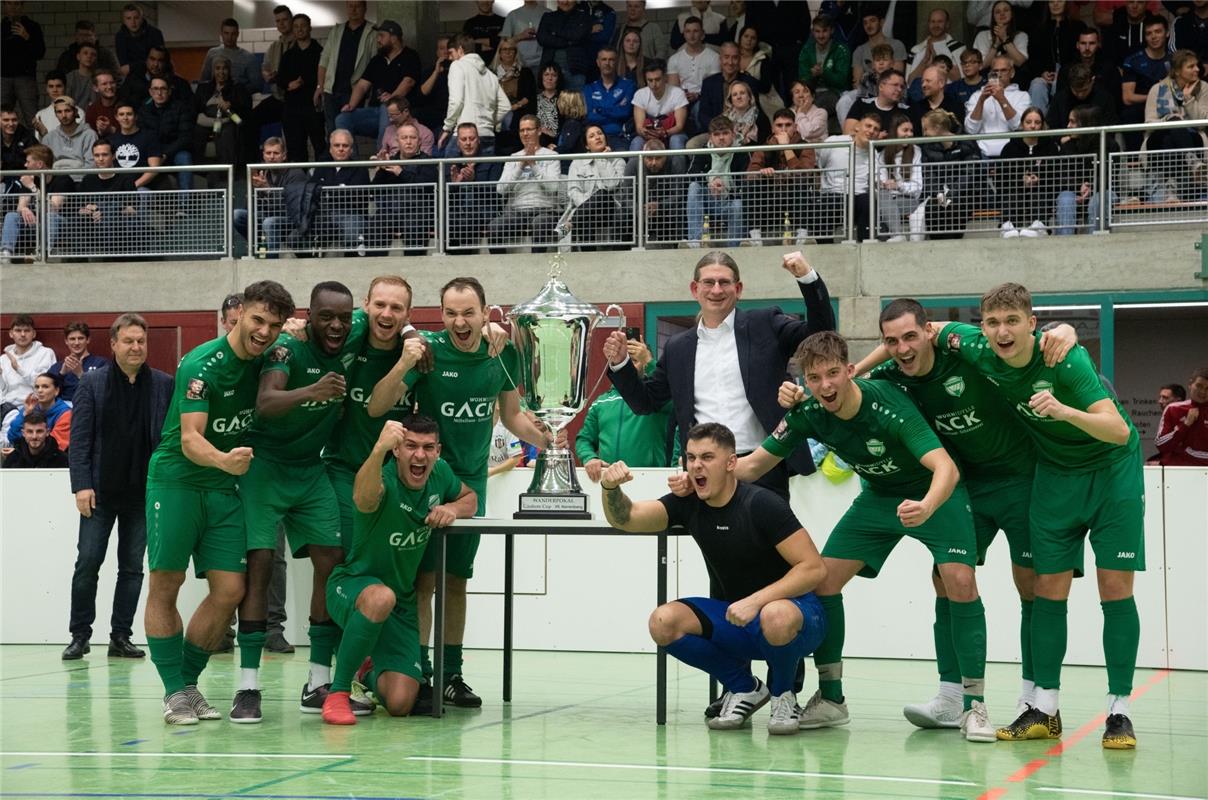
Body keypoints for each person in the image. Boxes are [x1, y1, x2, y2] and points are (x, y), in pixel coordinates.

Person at [732, 331, 995, 742]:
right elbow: (754, 466)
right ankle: (833, 698)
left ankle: (973, 706)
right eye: (815, 378)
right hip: (878, 499)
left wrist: (926, 505)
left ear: (850, 370)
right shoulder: (807, 412)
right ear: (805, 381)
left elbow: (946, 468)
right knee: (821, 580)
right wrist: (701, 473)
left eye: (833, 373)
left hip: (934, 493)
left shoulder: (887, 403)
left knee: (958, 582)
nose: (826, 385)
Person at [842, 300, 1074, 730]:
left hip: (1023, 479)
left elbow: (1015, 338)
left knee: (1031, 585)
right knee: (948, 580)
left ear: (928, 332)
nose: (903, 348)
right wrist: (851, 370)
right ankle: (951, 698)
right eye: (892, 341)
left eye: (911, 336)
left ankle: (1034, 700)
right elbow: (849, 385)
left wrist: (1066, 331)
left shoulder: (961, 347)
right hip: (965, 486)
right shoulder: (893, 375)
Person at [934, 283, 1145, 750]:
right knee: (1047, 588)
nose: (1002, 331)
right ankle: (1044, 709)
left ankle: (1119, 712)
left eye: (1012, 321)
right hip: (1054, 475)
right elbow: (922, 330)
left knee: (1115, 588)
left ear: (1032, 323)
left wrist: (1064, 410)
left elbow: (1115, 429)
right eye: (992, 322)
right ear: (981, 327)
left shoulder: (1064, 358)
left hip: (1112, 472)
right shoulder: (972, 345)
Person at [367, 276, 553, 709]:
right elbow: (378, 406)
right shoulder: (428, 353)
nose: (459, 320)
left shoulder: (501, 351)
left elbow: (511, 416)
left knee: (456, 582)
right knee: (423, 582)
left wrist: (552, 441)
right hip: (426, 482)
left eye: (468, 312)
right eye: (451, 312)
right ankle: (419, 671)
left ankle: (452, 674)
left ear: (486, 313)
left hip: (474, 485)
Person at [600, 423, 827, 734]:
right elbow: (627, 519)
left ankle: (783, 694)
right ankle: (744, 687)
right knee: (663, 622)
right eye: (691, 457)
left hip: (798, 617)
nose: (696, 465)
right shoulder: (687, 502)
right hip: (738, 619)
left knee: (775, 614)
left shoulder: (762, 504)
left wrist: (756, 601)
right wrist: (610, 488)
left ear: (731, 463)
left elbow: (813, 568)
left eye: (707, 457)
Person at [142, 280, 293, 726]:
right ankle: (174, 691)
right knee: (165, 585)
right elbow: (190, 440)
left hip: (224, 488)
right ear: (240, 313)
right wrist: (226, 461)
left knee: (230, 590)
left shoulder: (271, 359)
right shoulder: (200, 364)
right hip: (177, 482)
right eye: (257, 320)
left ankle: (186, 685)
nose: (264, 331)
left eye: (274, 324)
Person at [231, 282, 369, 723]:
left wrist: (408, 337)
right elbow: (266, 401)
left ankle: (317, 681)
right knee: (261, 565)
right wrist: (314, 392)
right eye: (325, 316)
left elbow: (390, 316)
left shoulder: (355, 328)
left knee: (331, 561)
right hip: (266, 467)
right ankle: (248, 687)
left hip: (312, 470)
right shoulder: (286, 350)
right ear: (309, 316)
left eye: (343, 318)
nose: (336, 325)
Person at [604, 250, 833, 502]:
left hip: (763, 466)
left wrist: (807, 278)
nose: (716, 290)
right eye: (708, 282)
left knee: (766, 541)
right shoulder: (678, 347)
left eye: (724, 282)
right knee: (710, 542)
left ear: (738, 288)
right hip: (704, 474)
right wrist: (620, 363)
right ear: (694, 289)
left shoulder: (764, 324)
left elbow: (821, 334)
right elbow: (645, 402)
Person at [321, 416, 478, 724]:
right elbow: (362, 499)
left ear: (437, 451)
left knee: (401, 703)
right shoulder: (383, 478)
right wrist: (378, 449)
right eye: (410, 446)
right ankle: (338, 693)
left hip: (402, 605)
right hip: (352, 587)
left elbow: (470, 498)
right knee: (381, 597)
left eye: (428, 447)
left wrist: (452, 508)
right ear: (397, 450)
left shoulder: (440, 474)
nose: (419, 455)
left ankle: (367, 670)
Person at [62, 313, 172, 660]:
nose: (136, 347)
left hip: (143, 494)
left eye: (141, 341)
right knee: (88, 563)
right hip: (99, 493)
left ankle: (120, 636)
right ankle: (79, 635)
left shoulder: (163, 384)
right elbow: (79, 441)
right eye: (128, 341)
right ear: (113, 344)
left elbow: (168, 442)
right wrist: (81, 486)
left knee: (132, 569)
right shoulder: (91, 384)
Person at [577, 337, 674, 477]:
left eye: (633, 361)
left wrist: (649, 361)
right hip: (610, 479)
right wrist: (590, 457)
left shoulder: (657, 399)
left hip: (651, 478)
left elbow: (671, 392)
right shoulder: (600, 403)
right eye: (623, 361)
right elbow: (584, 439)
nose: (627, 366)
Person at [336, 20, 421, 148]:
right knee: (342, 118)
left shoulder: (410, 56)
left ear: (393, 38)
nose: (378, 40)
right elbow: (362, 85)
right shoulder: (377, 60)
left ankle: (382, 160)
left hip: (399, 113)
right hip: (373, 111)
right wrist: (351, 105)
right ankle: (351, 163)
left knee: (386, 109)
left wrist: (392, 100)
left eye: (382, 36)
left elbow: (408, 82)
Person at [489, 114, 562, 251]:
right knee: (495, 226)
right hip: (517, 211)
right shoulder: (513, 158)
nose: (525, 134)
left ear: (539, 131)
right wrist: (520, 166)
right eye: (522, 130)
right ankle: (498, 267)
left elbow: (553, 187)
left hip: (545, 210)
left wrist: (533, 165)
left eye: (529, 129)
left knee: (540, 223)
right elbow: (500, 189)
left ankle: (537, 266)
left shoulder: (552, 156)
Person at [745, 108, 815, 244]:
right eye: (779, 125)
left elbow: (804, 175)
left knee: (801, 185)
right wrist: (762, 173)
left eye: (788, 125)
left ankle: (802, 236)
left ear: (795, 127)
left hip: (795, 198)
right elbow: (750, 174)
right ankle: (755, 237)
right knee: (751, 187)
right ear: (773, 128)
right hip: (770, 200)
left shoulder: (805, 146)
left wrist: (787, 148)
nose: (783, 129)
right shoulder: (764, 147)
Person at [440, 34, 511, 158]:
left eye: (451, 52)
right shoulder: (491, 75)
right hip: (488, 135)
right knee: (484, 177)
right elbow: (506, 106)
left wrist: (447, 128)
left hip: (464, 135)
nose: (450, 58)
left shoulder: (457, 65)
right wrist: (489, 122)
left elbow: (456, 101)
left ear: (460, 50)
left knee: (448, 174)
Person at [370, 122, 437, 255]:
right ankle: (376, 267)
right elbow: (375, 190)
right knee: (375, 224)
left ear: (419, 141)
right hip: (391, 211)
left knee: (414, 226)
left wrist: (401, 172)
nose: (408, 141)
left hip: (418, 211)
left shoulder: (427, 161)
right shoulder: (391, 160)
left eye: (412, 138)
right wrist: (382, 170)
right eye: (404, 138)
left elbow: (429, 186)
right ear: (397, 141)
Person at [0, 146, 74, 263]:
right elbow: (20, 206)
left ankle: (45, 253)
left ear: (39, 164)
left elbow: (53, 208)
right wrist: (23, 209)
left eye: (28, 162)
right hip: (35, 223)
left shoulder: (62, 179)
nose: (25, 165)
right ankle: (6, 253)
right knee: (11, 216)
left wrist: (33, 188)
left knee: (50, 217)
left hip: (61, 224)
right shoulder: (29, 179)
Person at [683, 116, 748, 246]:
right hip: (708, 200)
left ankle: (734, 246)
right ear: (710, 137)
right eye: (716, 134)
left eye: (725, 133)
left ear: (733, 134)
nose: (721, 138)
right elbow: (690, 175)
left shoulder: (743, 153)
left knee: (737, 204)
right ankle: (695, 241)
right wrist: (710, 182)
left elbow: (746, 183)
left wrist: (727, 187)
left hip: (730, 200)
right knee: (694, 187)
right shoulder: (703, 151)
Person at [919, 109, 982, 240]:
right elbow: (928, 174)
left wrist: (951, 195)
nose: (924, 134)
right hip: (939, 196)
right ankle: (937, 245)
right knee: (933, 206)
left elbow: (970, 174)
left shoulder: (966, 142)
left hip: (964, 195)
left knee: (955, 205)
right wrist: (939, 193)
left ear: (937, 128)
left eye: (926, 129)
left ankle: (953, 245)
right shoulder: (927, 147)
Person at [815, 113, 879, 242]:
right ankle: (824, 247)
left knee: (869, 201)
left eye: (876, 129)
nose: (871, 131)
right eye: (868, 126)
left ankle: (865, 245)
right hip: (834, 193)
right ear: (857, 127)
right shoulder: (834, 141)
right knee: (825, 203)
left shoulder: (874, 152)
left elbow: (876, 179)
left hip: (858, 196)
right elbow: (820, 164)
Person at [315, 0, 376, 135]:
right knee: (332, 131)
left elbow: (374, 64)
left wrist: (369, 91)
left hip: (354, 91)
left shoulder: (372, 32)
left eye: (357, 6)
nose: (354, 10)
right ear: (346, 8)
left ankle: (350, 156)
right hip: (331, 90)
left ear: (364, 8)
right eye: (350, 6)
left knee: (347, 131)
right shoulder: (337, 30)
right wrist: (320, 87)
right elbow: (324, 60)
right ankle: (335, 156)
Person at [998, 106, 1059, 238]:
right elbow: (1001, 176)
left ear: (1042, 126)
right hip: (1016, 189)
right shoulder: (1010, 147)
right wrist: (1021, 180)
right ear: (1022, 124)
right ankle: (1008, 226)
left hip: (1042, 189)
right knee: (1010, 191)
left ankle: (1039, 225)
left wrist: (1039, 179)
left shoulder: (1050, 147)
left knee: (1040, 191)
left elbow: (1056, 175)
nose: (1033, 126)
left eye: (1037, 123)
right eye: (1028, 122)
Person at [565, 124, 627, 249]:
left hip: (610, 210)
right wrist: (587, 205)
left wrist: (603, 159)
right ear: (587, 145)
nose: (597, 137)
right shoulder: (577, 163)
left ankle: (572, 221)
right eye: (592, 136)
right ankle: (588, 256)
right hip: (587, 212)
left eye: (599, 133)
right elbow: (573, 191)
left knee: (602, 194)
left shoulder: (618, 161)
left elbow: (611, 185)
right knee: (586, 218)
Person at [446, 123, 504, 252]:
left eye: (471, 139)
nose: (468, 143)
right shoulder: (450, 163)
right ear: (457, 143)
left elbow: (497, 192)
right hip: (458, 214)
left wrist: (474, 181)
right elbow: (443, 198)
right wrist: (454, 186)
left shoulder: (493, 161)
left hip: (486, 212)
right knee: (446, 220)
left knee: (467, 220)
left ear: (478, 140)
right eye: (463, 139)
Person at [312, 129, 371, 256]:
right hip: (324, 214)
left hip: (352, 214)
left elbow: (357, 198)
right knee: (301, 230)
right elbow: (313, 190)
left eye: (345, 146)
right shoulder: (322, 167)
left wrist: (328, 190)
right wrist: (340, 188)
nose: (341, 149)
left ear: (351, 150)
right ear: (330, 149)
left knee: (351, 228)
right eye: (336, 145)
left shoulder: (360, 168)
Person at [192, 57, 252, 180]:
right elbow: (194, 108)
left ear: (229, 71)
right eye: (217, 68)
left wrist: (231, 104)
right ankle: (199, 173)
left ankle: (227, 177)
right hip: (206, 121)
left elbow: (246, 108)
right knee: (195, 132)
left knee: (226, 134)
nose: (221, 72)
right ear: (213, 71)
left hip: (227, 120)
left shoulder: (238, 88)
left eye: (225, 68)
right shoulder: (203, 88)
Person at [276, 13, 325, 163]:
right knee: (295, 148)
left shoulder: (320, 52)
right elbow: (280, 78)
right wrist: (289, 84)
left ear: (309, 28)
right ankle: (298, 181)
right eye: (296, 26)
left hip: (313, 106)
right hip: (292, 107)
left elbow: (325, 76)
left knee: (319, 145)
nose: (299, 29)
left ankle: (322, 178)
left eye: (303, 26)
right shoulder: (288, 55)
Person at [965, 56, 1030, 157]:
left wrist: (1001, 99)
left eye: (1003, 70)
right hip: (982, 154)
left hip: (1011, 154)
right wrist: (981, 101)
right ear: (990, 74)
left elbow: (1019, 126)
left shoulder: (1022, 96)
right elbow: (970, 129)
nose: (999, 75)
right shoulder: (977, 95)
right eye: (995, 71)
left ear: (1012, 73)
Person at [1121, 15, 1173, 141]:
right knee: (1129, 114)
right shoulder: (1133, 61)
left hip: (1170, 106)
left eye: (1158, 32)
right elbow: (1127, 98)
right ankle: (1133, 159)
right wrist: (1154, 95)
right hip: (1141, 107)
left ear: (1167, 33)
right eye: (1149, 33)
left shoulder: (1175, 60)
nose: (1153, 36)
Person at [874, 114, 923, 242]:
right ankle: (896, 236)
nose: (910, 134)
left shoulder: (916, 152)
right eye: (905, 130)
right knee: (882, 195)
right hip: (888, 200)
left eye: (911, 131)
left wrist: (898, 185)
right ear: (895, 132)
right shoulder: (882, 155)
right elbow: (881, 183)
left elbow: (917, 188)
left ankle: (896, 235)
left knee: (877, 210)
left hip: (909, 201)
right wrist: (882, 184)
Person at [138, 77, 193, 191]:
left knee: (184, 157)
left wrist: (165, 154)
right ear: (150, 92)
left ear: (169, 91)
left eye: (163, 89)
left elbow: (185, 138)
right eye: (155, 89)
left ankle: (185, 206)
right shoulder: (144, 109)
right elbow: (142, 136)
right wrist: (155, 154)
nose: (159, 93)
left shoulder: (180, 107)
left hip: (173, 152)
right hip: (151, 154)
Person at [797, 15, 851, 129]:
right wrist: (812, 75)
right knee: (795, 106)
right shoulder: (806, 50)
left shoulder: (841, 49)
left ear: (832, 30)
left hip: (835, 92)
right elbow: (802, 80)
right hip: (811, 93)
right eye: (817, 31)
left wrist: (824, 73)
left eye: (825, 31)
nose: (821, 35)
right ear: (812, 32)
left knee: (814, 105)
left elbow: (842, 80)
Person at [668, 16, 722, 129]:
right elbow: (673, 88)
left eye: (695, 31)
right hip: (681, 100)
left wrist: (698, 95)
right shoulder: (674, 59)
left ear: (702, 34)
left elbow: (714, 87)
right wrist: (682, 96)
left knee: (699, 108)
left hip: (704, 99)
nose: (691, 35)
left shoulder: (714, 57)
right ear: (684, 34)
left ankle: (702, 137)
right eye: (688, 31)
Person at [698, 42, 759, 138]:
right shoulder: (708, 83)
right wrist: (717, 129)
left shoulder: (750, 82)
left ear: (739, 60)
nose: (730, 62)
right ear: (720, 59)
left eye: (734, 58)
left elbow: (756, 111)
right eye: (726, 57)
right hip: (715, 132)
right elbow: (703, 114)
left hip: (742, 133)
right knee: (691, 145)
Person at [629, 59, 689, 154]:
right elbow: (639, 128)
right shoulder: (640, 94)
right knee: (636, 142)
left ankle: (678, 170)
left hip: (673, 134)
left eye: (657, 79)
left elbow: (679, 126)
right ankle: (635, 169)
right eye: (650, 80)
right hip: (648, 136)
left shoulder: (677, 93)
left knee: (676, 141)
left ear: (665, 78)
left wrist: (665, 133)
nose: (654, 84)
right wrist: (645, 132)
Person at [1, 1, 45, 127]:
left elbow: (40, 53)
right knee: (2, 116)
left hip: (26, 78)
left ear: (22, 6)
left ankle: (35, 146)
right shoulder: (1, 27)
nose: (13, 7)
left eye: (17, 4)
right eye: (9, 3)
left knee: (32, 117)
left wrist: (27, 37)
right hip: (3, 78)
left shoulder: (32, 26)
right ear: (4, 6)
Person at [583, 47, 636, 151]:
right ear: (598, 62)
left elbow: (625, 112)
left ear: (616, 62)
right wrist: (614, 111)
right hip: (596, 138)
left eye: (611, 60)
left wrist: (599, 110)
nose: (607, 63)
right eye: (604, 59)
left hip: (619, 136)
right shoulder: (589, 88)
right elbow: (590, 116)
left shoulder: (628, 85)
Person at [5, 371, 71, 451]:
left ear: (56, 391)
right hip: (27, 454)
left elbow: (55, 446)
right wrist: (26, 414)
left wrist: (20, 452)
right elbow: (12, 437)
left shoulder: (66, 414)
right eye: (37, 387)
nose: (40, 390)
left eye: (45, 387)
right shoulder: (30, 407)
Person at [1155, 367, 1208, 465]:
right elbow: (1160, 444)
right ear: (1190, 384)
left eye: (1207, 388)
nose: (1203, 392)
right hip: (1179, 472)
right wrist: (1185, 424)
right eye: (1199, 386)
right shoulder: (1173, 409)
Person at [537, 0, 593, 92]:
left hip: (575, 69)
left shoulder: (584, 17)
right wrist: (569, 42)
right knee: (550, 104)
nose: (565, 2)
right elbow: (542, 39)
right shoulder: (548, 17)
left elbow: (577, 36)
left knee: (575, 103)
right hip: (550, 70)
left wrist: (554, 32)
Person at [492, 37, 536, 151]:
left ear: (516, 52)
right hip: (497, 111)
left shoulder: (525, 72)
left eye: (511, 49)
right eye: (504, 49)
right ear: (499, 52)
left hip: (518, 111)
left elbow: (530, 95)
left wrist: (515, 106)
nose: (508, 52)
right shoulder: (491, 73)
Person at [906, 9, 967, 89]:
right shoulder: (916, 49)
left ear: (947, 24)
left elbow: (961, 78)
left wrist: (937, 59)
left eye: (940, 21)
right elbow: (910, 83)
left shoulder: (958, 47)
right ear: (928, 24)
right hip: (921, 96)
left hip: (949, 95)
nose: (936, 25)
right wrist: (924, 61)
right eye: (933, 21)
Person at [118, 45, 193, 109]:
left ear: (166, 63)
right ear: (146, 60)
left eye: (160, 61)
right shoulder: (133, 80)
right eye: (152, 59)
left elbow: (189, 108)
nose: (155, 64)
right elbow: (122, 102)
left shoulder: (179, 84)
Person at [50, 321, 106, 402]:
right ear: (66, 341)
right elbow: (48, 393)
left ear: (88, 340)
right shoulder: (58, 367)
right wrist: (61, 374)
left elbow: (102, 392)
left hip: (89, 406)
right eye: (72, 339)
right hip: (63, 408)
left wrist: (81, 374)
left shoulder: (101, 363)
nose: (76, 343)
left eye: (80, 338)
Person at [851, 7, 907, 86]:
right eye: (865, 23)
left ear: (881, 22)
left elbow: (897, 78)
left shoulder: (897, 45)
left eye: (872, 21)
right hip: (866, 92)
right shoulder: (859, 51)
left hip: (891, 91)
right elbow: (857, 82)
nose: (869, 25)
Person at [199, 18, 260, 90]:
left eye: (233, 34)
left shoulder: (249, 58)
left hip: (238, 98)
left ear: (237, 34)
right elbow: (204, 80)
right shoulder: (212, 53)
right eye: (226, 33)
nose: (229, 37)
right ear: (221, 33)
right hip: (215, 97)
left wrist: (237, 92)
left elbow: (257, 85)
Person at [844, 69, 907, 136]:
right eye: (895, 85)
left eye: (902, 87)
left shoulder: (907, 110)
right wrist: (875, 137)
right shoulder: (861, 104)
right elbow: (848, 134)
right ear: (881, 86)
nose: (899, 89)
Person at [43, 97, 96, 171]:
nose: (64, 115)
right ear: (55, 114)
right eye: (59, 112)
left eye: (67, 111)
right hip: (57, 180)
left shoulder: (89, 135)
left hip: (81, 180)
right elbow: (45, 166)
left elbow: (92, 165)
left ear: (75, 111)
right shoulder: (48, 138)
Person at [115, 3, 165, 80]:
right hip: (133, 77)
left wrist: (132, 67)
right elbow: (125, 67)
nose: (133, 22)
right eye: (128, 18)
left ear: (141, 18)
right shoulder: (120, 36)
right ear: (124, 21)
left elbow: (157, 61)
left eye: (136, 18)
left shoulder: (155, 33)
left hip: (155, 74)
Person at [973, 0, 1029, 69]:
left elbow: (1020, 62)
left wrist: (1005, 39)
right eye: (998, 12)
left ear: (1011, 14)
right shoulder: (982, 35)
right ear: (993, 17)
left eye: (1006, 10)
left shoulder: (1021, 35)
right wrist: (995, 45)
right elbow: (981, 66)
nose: (1002, 14)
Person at [910, 65, 965, 133]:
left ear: (941, 83)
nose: (923, 85)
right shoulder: (915, 109)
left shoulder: (956, 107)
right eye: (922, 82)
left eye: (928, 81)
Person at [500, 0, 547, 78]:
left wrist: (540, 35)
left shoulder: (548, 13)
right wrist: (521, 36)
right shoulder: (513, 15)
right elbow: (504, 43)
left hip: (542, 64)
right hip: (518, 65)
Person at [463, 0, 505, 67]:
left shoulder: (503, 21)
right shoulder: (469, 24)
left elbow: (505, 42)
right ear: (476, 1)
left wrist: (476, 41)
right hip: (475, 66)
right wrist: (494, 43)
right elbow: (466, 46)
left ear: (493, 1)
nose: (485, 2)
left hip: (500, 66)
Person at [32, 71, 68, 142]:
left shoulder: (78, 113)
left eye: (58, 86)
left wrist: (45, 134)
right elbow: (39, 145)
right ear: (47, 89)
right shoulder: (40, 115)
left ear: (65, 87)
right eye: (51, 86)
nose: (55, 90)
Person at [84, 70, 120, 136]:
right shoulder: (92, 110)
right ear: (96, 88)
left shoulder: (126, 106)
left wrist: (111, 130)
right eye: (104, 84)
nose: (109, 87)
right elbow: (90, 137)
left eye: (112, 83)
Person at [65, 42, 100, 109]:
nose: (89, 56)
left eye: (93, 54)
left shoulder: (99, 78)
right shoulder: (70, 78)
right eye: (85, 53)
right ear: (78, 56)